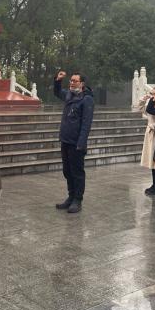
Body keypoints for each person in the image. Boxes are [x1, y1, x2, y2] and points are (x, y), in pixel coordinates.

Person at [52, 71, 94, 213]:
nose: (71, 83)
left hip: (76, 143)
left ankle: (77, 200)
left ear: (82, 84)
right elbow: (57, 92)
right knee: (67, 171)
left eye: (75, 81)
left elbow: (86, 123)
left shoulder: (86, 99)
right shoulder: (69, 95)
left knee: (77, 172)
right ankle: (70, 197)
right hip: (65, 140)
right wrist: (58, 80)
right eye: (70, 80)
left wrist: (81, 143)